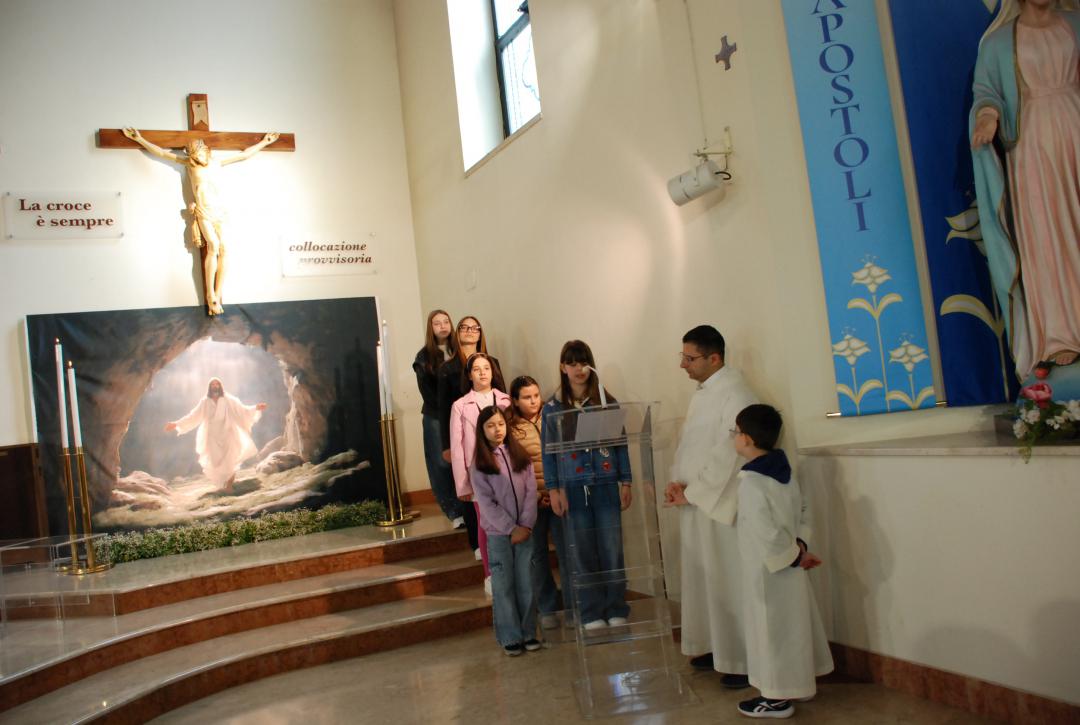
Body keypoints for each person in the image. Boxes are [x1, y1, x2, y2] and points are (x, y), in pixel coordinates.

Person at [970, 0, 1080, 379]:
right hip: (1033, 147)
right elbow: (986, 90)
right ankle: (1061, 333)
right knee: (1046, 235)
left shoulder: (1075, 23)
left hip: (1075, 126)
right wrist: (988, 116)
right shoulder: (998, 42)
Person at [664, 325, 757, 688]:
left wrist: (697, 490)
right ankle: (714, 645)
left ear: (714, 358)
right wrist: (677, 480)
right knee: (703, 578)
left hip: (718, 505)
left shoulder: (736, 392)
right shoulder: (704, 393)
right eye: (683, 357)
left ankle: (741, 658)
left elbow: (733, 451)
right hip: (694, 501)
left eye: (689, 358)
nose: (682, 365)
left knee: (726, 578)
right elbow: (691, 443)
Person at [731, 404, 833, 719]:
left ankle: (775, 698)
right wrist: (800, 547)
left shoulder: (752, 482)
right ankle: (799, 684)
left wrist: (792, 556)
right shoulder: (784, 471)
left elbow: (764, 530)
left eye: (736, 432)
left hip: (768, 570)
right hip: (790, 564)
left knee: (771, 631)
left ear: (747, 439)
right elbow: (803, 509)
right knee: (793, 627)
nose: (734, 437)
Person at [122, 128, 280, 316]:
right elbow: (162, 153)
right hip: (203, 211)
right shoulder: (189, 165)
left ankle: (218, 292)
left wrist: (264, 142)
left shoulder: (217, 162)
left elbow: (244, 155)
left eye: (200, 154)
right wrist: (140, 139)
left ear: (207, 152)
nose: (197, 158)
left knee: (225, 249)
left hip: (220, 211)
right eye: (194, 156)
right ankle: (210, 293)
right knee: (213, 245)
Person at [541, 340, 632, 631]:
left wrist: (626, 480)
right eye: (572, 363)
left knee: (611, 549)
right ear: (563, 367)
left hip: (605, 483)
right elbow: (548, 452)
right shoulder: (553, 408)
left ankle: (615, 607)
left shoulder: (606, 401)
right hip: (572, 486)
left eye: (583, 363)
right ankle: (590, 611)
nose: (579, 369)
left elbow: (620, 444)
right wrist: (554, 488)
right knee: (581, 551)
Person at [470, 405, 540, 656]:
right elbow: (486, 504)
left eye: (500, 424)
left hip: (525, 530)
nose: (497, 429)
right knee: (504, 586)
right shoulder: (479, 464)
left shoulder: (520, 456)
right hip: (500, 534)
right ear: (482, 431)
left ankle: (529, 632)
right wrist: (511, 529)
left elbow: (531, 491)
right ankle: (510, 636)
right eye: (490, 426)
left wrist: (526, 524)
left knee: (527, 582)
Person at [437, 316, 505, 556]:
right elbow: (443, 409)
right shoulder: (448, 368)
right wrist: (447, 445)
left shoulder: (492, 362)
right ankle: (477, 544)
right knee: (471, 491)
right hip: (466, 437)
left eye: (475, 327)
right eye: (464, 327)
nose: (470, 331)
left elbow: (501, 397)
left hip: (496, 439)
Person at [508, 375, 571, 630]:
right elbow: (512, 467)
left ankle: (573, 608)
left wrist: (558, 489)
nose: (534, 401)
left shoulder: (552, 416)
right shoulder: (510, 427)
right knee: (537, 557)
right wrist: (532, 494)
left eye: (536, 395)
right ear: (515, 400)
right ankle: (547, 608)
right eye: (526, 397)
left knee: (567, 553)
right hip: (530, 501)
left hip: (558, 495)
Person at [449, 353, 511, 591]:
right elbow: (457, 449)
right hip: (478, 474)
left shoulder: (506, 400)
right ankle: (490, 574)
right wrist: (462, 484)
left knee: (509, 519)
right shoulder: (460, 405)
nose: (483, 373)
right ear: (469, 375)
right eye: (477, 369)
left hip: (506, 471)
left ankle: (511, 570)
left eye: (487, 368)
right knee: (485, 524)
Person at [165, 377, 267, 492]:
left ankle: (229, 486)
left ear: (220, 386)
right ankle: (223, 483)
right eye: (213, 384)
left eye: (217, 384)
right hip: (212, 436)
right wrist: (176, 424)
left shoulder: (228, 399)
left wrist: (256, 407)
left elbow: (241, 409)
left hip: (228, 433)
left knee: (230, 460)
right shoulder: (205, 401)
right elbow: (193, 416)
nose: (215, 386)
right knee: (216, 462)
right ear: (210, 387)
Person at [412, 309, 465, 528]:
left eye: (446, 321)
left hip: (461, 413)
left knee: (464, 460)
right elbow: (428, 392)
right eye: (437, 323)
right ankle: (454, 512)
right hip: (435, 415)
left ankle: (468, 508)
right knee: (442, 464)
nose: (443, 326)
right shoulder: (424, 357)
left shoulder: (460, 351)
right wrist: (447, 412)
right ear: (430, 328)